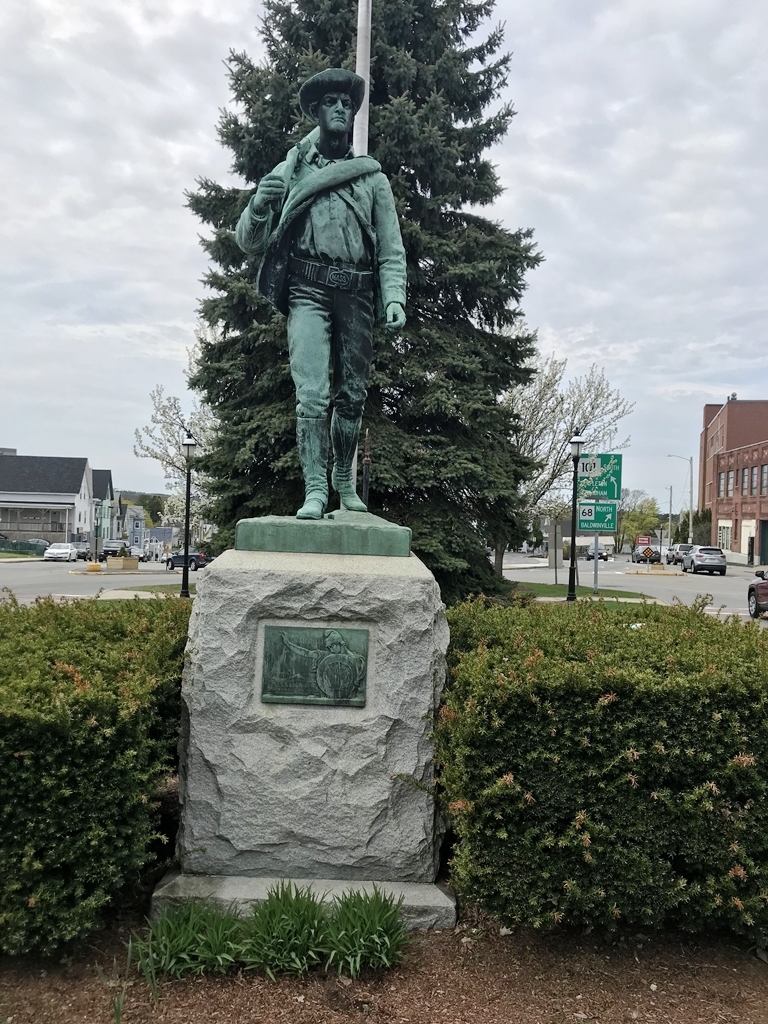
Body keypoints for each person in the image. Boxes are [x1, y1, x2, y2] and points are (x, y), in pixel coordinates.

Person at [235, 68, 407, 519]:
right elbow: (248, 241)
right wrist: (258, 205)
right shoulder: (291, 169)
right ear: (316, 111)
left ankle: (343, 483)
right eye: (331, 102)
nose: (341, 109)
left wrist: (394, 297)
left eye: (347, 104)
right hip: (307, 291)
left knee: (351, 397)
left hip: (357, 294)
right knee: (311, 394)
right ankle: (315, 489)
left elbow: (391, 249)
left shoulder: (372, 180)